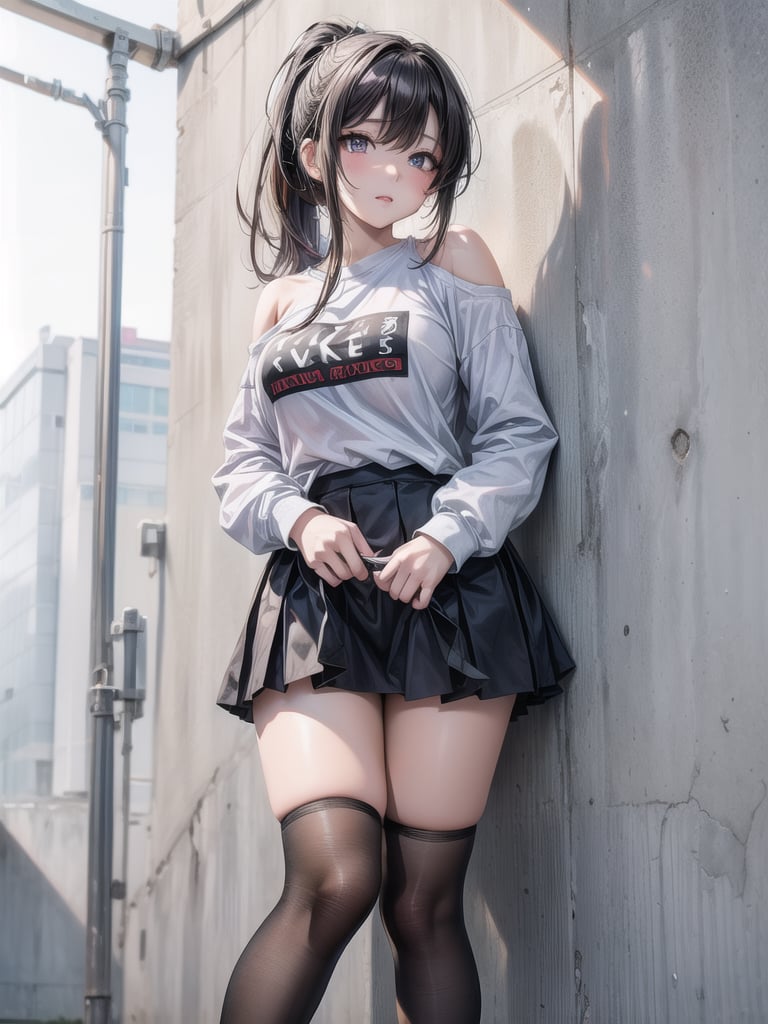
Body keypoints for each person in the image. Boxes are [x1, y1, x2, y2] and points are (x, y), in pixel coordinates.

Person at [212, 19, 574, 1024]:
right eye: (371, 142)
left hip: (445, 585)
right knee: (334, 880)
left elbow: (517, 434)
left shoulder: (453, 261)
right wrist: (294, 517)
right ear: (317, 153)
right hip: (316, 589)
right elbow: (240, 465)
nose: (399, 172)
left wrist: (447, 534)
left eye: (424, 155)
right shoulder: (279, 303)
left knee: (423, 905)